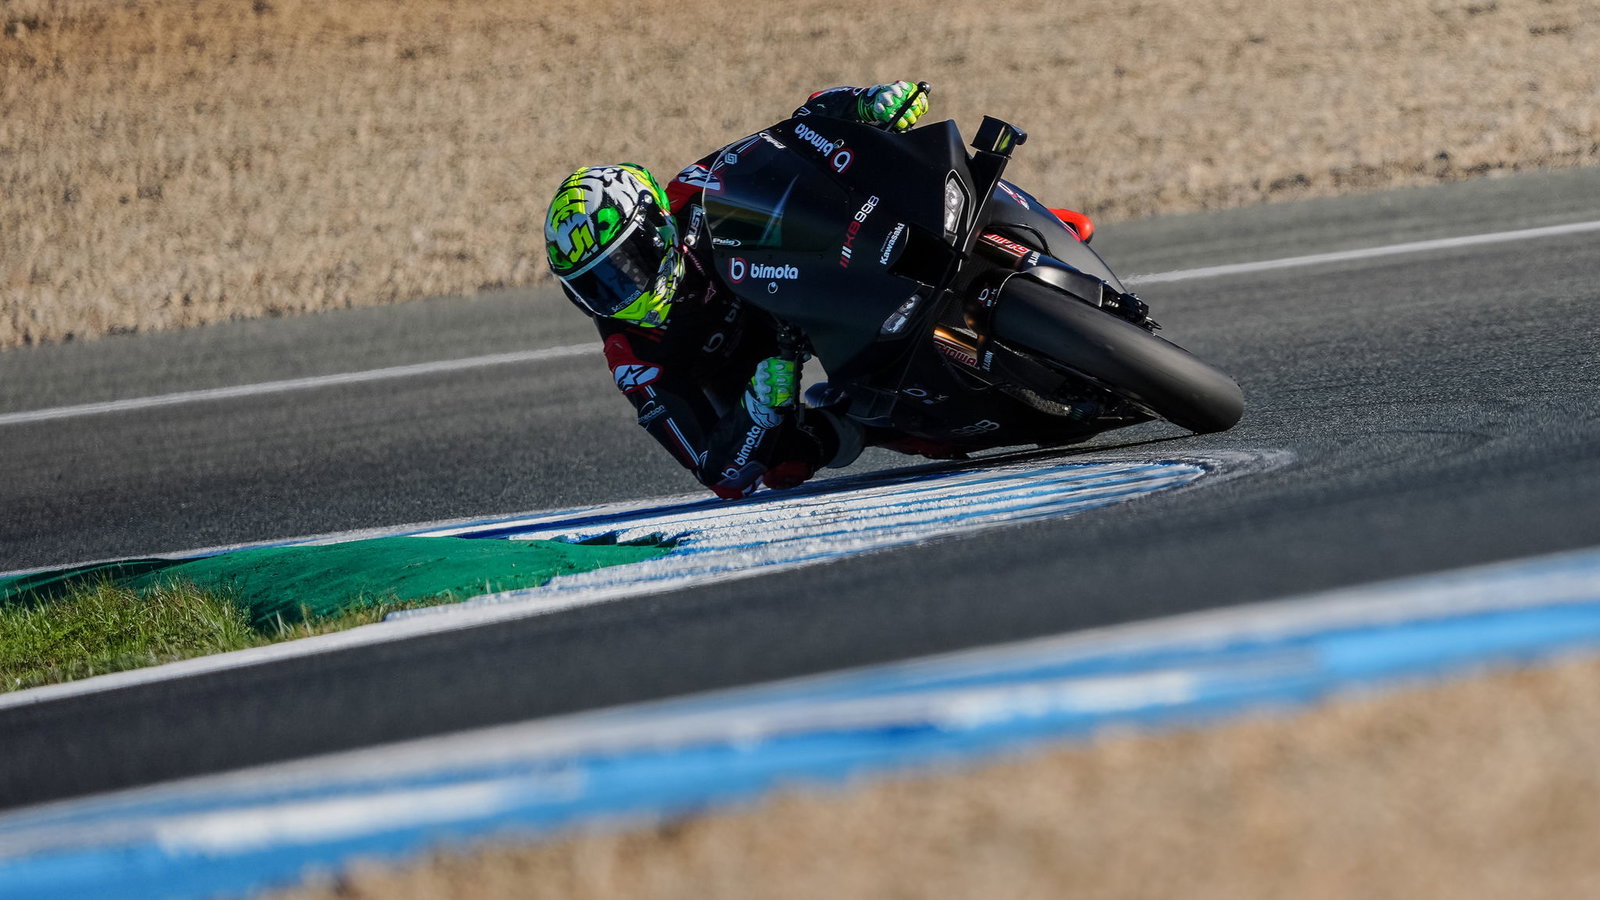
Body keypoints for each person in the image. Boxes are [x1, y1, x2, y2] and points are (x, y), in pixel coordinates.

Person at [544, 82, 932, 499]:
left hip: (800, 289)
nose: (621, 290)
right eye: (596, 286)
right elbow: (715, 472)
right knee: (781, 463)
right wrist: (756, 410)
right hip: (745, 371)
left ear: (656, 223)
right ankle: (871, 426)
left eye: (628, 263)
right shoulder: (629, 353)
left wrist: (862, 104)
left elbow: (794, 133)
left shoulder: (694, 192)